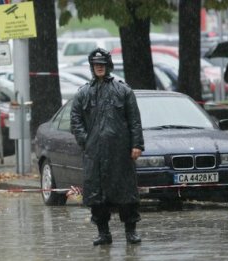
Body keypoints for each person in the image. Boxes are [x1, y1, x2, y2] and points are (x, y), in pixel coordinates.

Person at [70, 48, 144, 246]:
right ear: (92, 67)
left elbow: (134, 120)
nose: (99, 68)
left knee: (126, 194)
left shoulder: (123, 90)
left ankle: (131, 231)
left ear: (108, 66)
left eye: (102, 64)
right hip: (95, 154)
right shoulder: (83, 93)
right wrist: (86, 140)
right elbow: (75, 119)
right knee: (97, 196)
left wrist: (137, 144)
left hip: (120, 153)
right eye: (96, 65)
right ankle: (103, 233)